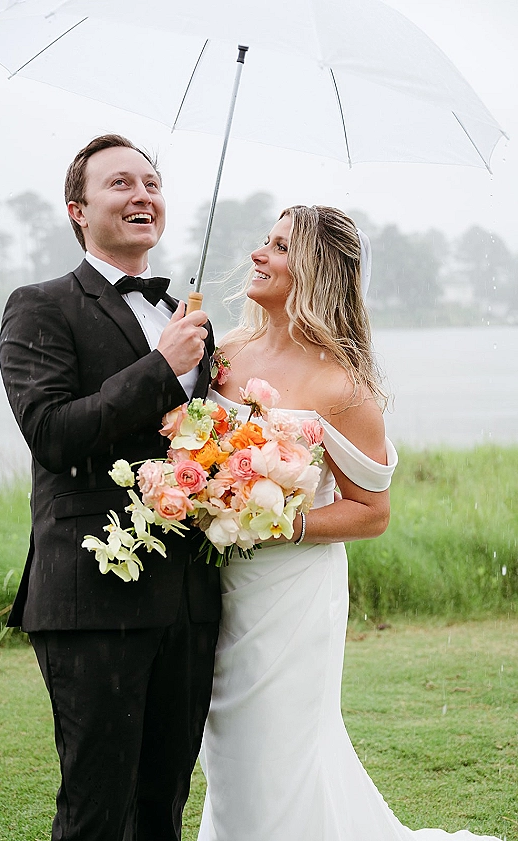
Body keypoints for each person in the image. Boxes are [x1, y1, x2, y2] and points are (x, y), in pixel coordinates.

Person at [197, 205, 501, 841]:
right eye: (264, 241)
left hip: (290, 594)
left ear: (313, 272)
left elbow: (372, 512)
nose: (258, 254)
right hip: (214, 585)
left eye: (278, 248)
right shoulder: (222, 355)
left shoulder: (342, 386)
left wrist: (278, 522)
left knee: (272, 750)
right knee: (225, 751)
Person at [0, 134, 220, 841]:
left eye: (151, 182)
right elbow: (53, 433)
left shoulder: (187, 321)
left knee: (164, 806)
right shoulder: (40, 305)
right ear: (77, 209)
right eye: (120, 183)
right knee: (97, 811)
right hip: (92, 596)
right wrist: (159, 367)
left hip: (187, 599)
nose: (142, 195)